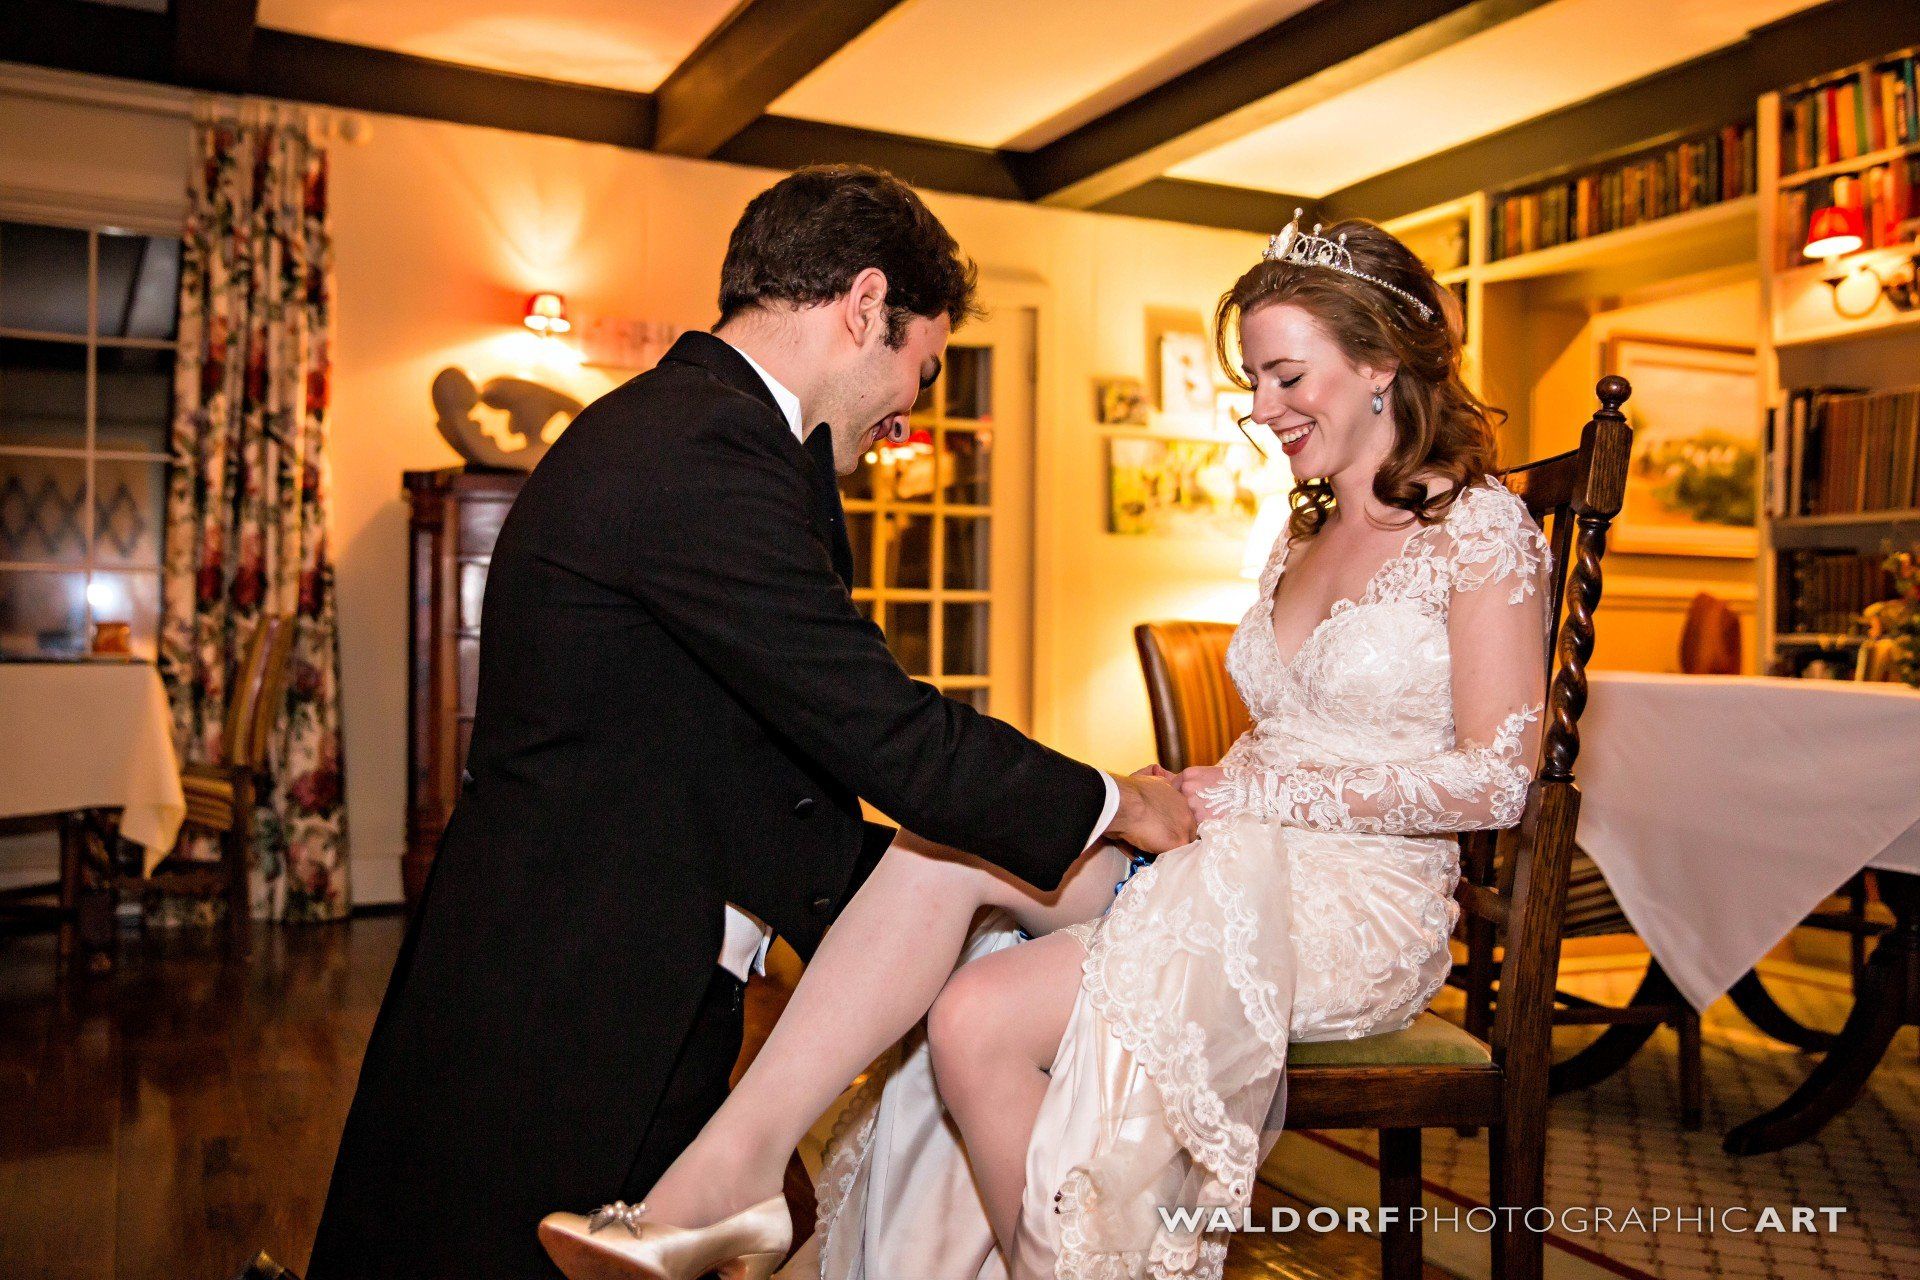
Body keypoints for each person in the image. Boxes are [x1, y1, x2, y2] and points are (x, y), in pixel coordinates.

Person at [540, 211, 1553, 1280]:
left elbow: (1499, 778)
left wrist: (1273, 789)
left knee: (977, 1012)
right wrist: (1208, 786)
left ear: (1384, 364)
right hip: (1241, 851)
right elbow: (1292, 725)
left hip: (1357, 904)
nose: (1263, 409)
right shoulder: (1298, 531)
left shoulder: (1477, 527)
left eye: (1287, 376)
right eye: (1255, 379)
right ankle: (726, 1176)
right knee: (941, 849)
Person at [305, 165, 1194, 1280]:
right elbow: (886, 733)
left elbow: (760, 770)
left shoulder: (724, 441)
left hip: (638, 966)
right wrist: (1117, 806)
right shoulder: (700, 451)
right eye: (921, 367)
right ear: (865, 306)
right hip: (561, 992)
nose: (912, 406)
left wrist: (958, 904)